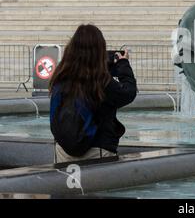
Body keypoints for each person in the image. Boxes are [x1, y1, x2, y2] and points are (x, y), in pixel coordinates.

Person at [49, 24, 137, 163]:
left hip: (62, 152)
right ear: (99, 51)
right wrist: (123, 64)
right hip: (97, 152)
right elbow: (128, 93)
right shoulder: (100, 81)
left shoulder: (60, 77)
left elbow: (84, 65)